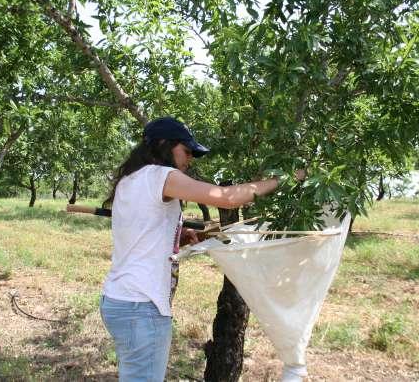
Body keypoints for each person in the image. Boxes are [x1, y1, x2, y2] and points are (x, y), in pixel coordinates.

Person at [99, 116, 303, 381]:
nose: (190, 159)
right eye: (186, 151)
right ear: (163, 144)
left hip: (118, 301)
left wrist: (179, 236)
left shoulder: (130, 179)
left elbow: (139, 230)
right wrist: (285, 179)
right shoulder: (162, 176)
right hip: (142, 307)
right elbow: (228, 198)